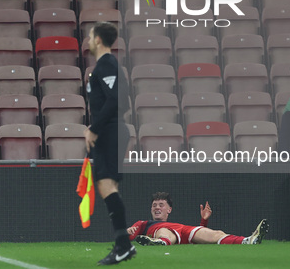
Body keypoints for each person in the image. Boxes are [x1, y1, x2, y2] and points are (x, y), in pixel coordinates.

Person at [84, 22, 136, 265]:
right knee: (107, 185)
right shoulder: (108, 66)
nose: (87, 39)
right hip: (111, 131)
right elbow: (123, 101)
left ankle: (123, 244)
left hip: (109, 132)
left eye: (90, 35)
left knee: (106, 185)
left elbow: (116, 101)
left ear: (97, 40)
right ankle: (122, 244)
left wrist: (94, 129)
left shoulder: (107, 64)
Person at [128, 192, 268, 246]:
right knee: (164, 231)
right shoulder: (143, 224)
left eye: (161, 205)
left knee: (217, 233)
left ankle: (248, 240)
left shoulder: (176, 224)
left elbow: (200, 238)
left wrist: (203, 221)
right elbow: (128, 236)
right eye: (154, 205)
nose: (157, 207)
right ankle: (160, 242)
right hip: (164, 233)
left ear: (169, 210)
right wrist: (127, 232)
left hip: (184, 231)